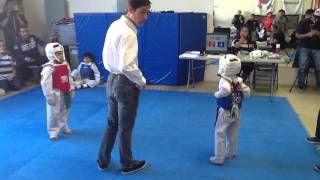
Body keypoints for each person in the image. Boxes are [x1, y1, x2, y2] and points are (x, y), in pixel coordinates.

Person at [97, 0, 151, 175]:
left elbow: (106, 56)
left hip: (111, 80)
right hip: (125, 84)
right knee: (125, 126)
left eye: (148, 12)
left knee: (112, 123)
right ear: (130, 10)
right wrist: (141, 80)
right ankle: (127, 163)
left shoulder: (115, 25)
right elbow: (127, 65)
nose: (146, 17)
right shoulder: (128, 33)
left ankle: (103, 160)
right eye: (143, 12)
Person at [209, 54, 250, 165]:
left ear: (223, 66)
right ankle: (231, 153)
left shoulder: (224, 80)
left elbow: (226, 90)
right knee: (233, 133)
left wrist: (217, 94)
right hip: (237, 111)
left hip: (226, 110)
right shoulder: (238, 80)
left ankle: (219, 158)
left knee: (220, 132)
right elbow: (247, 92)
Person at [40, 42, 74, 141]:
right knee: (53, 113)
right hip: (55, 92)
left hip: (66, 90)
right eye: (58, 53)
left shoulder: (65, 63)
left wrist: (71, 88)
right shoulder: (49, 67)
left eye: (61, 53)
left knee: (65, 109)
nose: (60, 55)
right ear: (51, 54)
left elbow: (69, 77)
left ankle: (64, 126)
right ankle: (53, 131)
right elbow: (45, 83)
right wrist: (49, 96)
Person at [295, 8, 320, 90]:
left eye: (319, 17)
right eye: (316, 16)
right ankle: (301, 84)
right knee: (302, 67)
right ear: (312, 15)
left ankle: (319, 85)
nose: (317, 19)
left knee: (319, 68)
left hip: (318, 49)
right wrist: (307, 35)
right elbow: (297, 35)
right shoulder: (303, 22)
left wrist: (318, 33)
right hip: (305, 48)